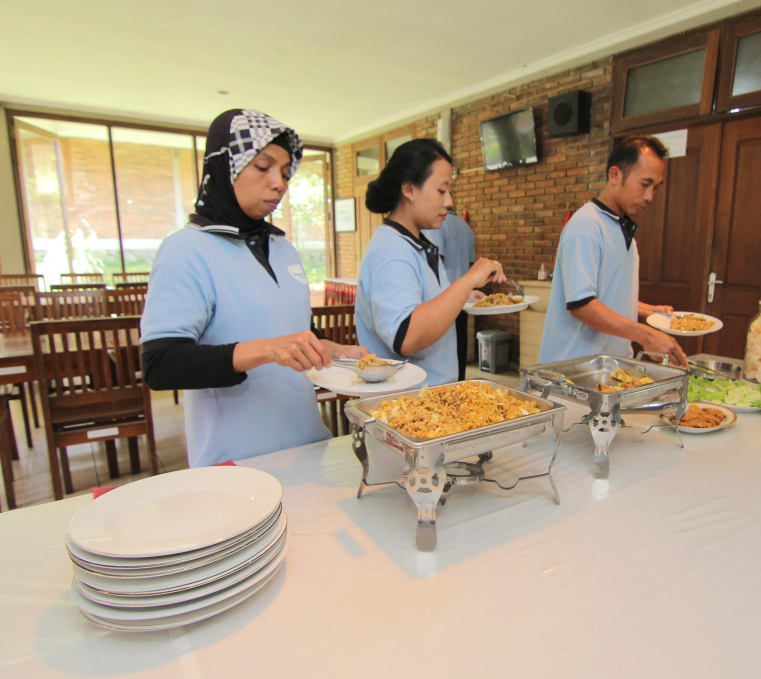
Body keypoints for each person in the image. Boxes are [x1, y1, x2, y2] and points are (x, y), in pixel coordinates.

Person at [141, 108, 367, 467]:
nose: (279, 183)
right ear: (224, 166)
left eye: (285, 173)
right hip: (236, 459)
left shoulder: (282, 247)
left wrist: (336, 350)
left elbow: (295, 332)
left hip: (307, 445)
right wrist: (268, 350)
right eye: (263, 167)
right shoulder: (186, 249)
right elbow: (161, 364)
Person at [357, 139, 507, 386]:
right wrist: (468, 280)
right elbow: (407, 336)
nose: (449, 201)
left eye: (450, 191)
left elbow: (425, 305)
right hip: (407, 400)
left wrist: (465, 296)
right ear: (409, 190)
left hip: (431, 393)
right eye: (441, 190)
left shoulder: (417, 244)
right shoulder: (391, 250)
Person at [538, 134, 688, 367]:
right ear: (615, 175)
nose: (649, 196)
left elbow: (604, 292)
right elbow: (582, 305)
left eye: (655, 188)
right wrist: (646, 335)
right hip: (573, 371)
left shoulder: (622, 230)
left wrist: (644, 309)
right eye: (645, 184)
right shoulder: (586, 225)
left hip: (610, 367)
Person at [423, 209, 476, 379]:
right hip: (464, 295)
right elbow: (471, 264)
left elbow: (436, 263)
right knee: (460, 342)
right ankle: (460, 380)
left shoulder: (438, 225)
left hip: (444, 297)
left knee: (444, 347)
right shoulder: (466, 228)